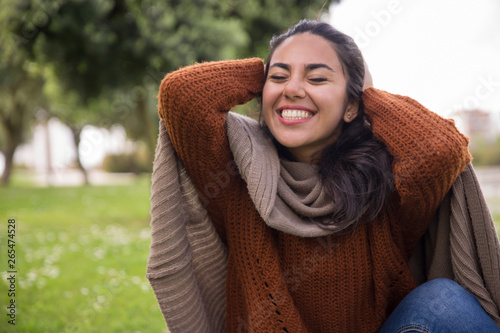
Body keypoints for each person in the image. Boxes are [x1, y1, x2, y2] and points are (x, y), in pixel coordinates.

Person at [148, 19, 500, 332]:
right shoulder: (234, 175)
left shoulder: (382, 187)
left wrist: (366, 96)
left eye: (317, 78)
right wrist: (270, 68)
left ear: (352, 105)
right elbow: (182, 95)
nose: (293, 88)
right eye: (279, 77)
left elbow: (442, 149)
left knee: (445, 301)